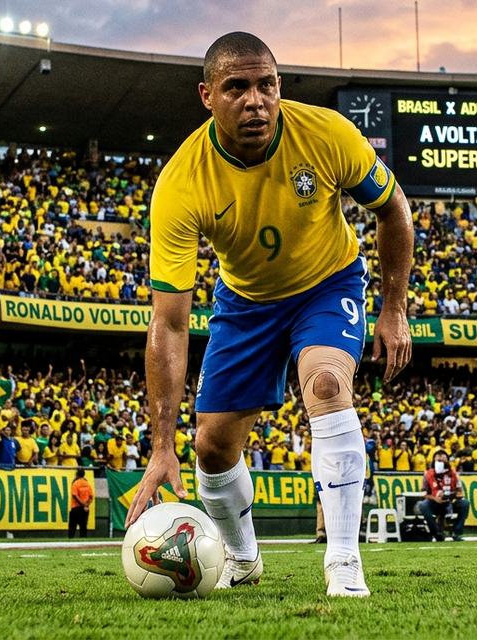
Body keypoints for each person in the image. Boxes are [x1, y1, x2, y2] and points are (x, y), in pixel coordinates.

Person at [125, 32, 414, 598]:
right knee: (211, 449)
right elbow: (170, 323)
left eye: (266, 85)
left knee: (327, 385)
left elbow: (393, 209)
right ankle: (241, 556)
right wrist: (162, 445)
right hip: (245, 303)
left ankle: (344, 561)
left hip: (327, 284)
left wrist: (394, 308)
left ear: (280, 87)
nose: (255, 101)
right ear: (207, 96)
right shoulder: (181, 183)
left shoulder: (328, 134)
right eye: (236, 88)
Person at [420, 451, 469, 541]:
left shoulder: (454, 474)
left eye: (442, 461)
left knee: (464, 503)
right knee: (423, 505)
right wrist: (435, 498)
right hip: (434, 502)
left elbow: (460, 492)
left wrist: (449, 496)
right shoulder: (428, 474)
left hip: (450, 502)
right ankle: (436, 532)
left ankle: (456, 532)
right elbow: (424, 493)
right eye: (438, 461)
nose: (440, 463)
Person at [69, 468, 94, 538]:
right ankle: (83, 540)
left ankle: (71, 539)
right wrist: (86, 505)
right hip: (85, 509)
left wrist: (82, 504)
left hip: (76, 507)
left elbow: (74, 495)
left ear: (77, 474)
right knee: (83, 526)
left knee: (72, 526)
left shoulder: (75, 483)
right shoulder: (87, 484)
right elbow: (91, 497)